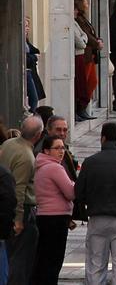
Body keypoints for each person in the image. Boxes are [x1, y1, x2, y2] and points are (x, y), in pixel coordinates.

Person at [76, 122, 116, 285]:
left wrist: (84, 213)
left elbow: (79, 192)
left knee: (96, 266)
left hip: (98, 217)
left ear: (102, 138)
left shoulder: (90, 162)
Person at [1, 115, 42, 285]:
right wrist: (18, 220)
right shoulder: (27, 157)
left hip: (6, 206)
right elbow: (19, 188)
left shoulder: (8, 144)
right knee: (20, 260)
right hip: (21, 210)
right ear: (38, 135)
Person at [32, 134, 74, 285]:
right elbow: (70, 192)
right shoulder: (55, 168)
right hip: (56, 218)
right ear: (47, 151)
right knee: (54, 259)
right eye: (57, 148)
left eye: (63, 148)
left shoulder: (40, 166)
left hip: (43, 216)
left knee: (44, 258)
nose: (61, 151)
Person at [73, 0, 102, 122]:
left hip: (89, 55)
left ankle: (83, 108)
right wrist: (96, 43)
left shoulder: (82, 19)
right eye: (85, 2)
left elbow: (85, 34)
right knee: (84, 84)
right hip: (84, 56)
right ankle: (80, 108)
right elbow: (84, 37)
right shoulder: (78, 20)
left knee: (91, 82)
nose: (88, 4)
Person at [24, 18, 45, 114]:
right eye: (25, 26)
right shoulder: (19, 41)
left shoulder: (25, 40)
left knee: (34, 99)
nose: (27, 29)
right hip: (26, 72)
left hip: (31, 72)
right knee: (33, 99)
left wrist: (33, 56)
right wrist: (34, 57)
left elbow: (36, 50)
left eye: (28, 26)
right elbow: (24, 58)